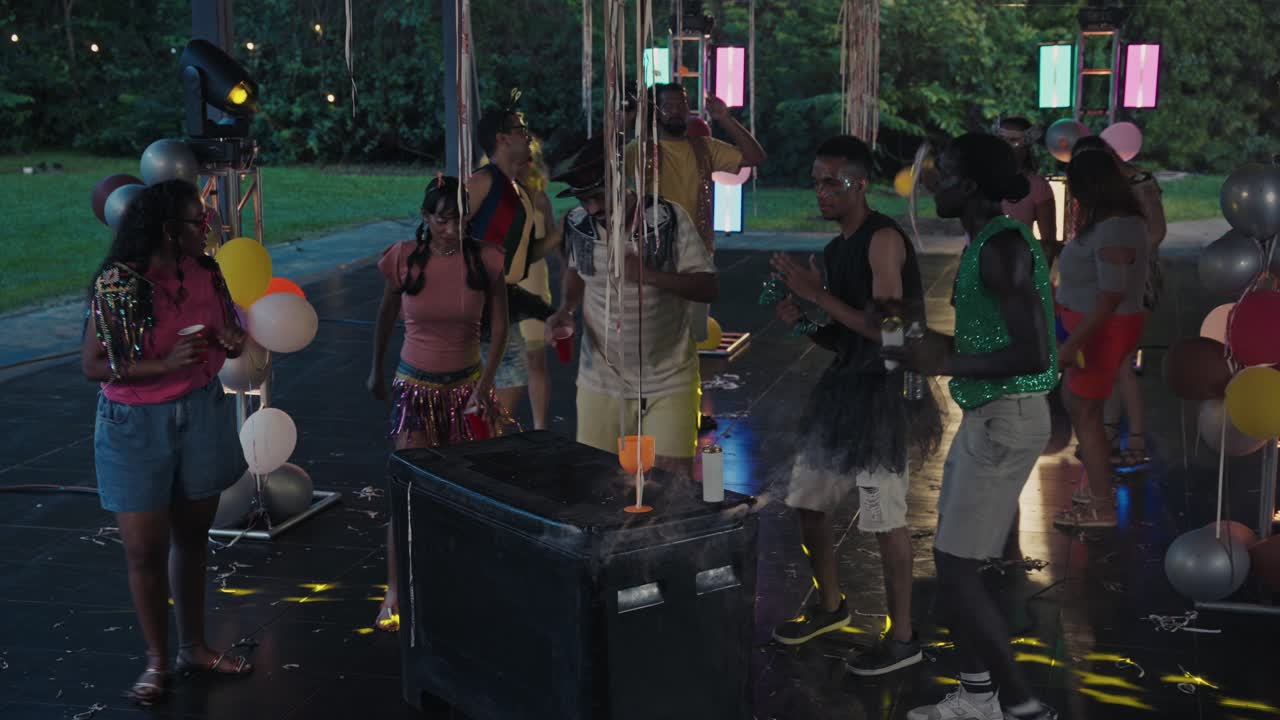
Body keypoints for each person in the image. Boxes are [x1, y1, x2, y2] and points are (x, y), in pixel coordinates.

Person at [889, 134, 1058, 720]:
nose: (933, 181)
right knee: (956, 561)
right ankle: (980, 697)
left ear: (973, 185)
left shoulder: (1002, 247)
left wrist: (945, 361)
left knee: (958, 570)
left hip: (1005, 418)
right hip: (991, 416)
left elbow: (1033, 353)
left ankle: (1021, 704)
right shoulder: (985, 241)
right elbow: (988, 340)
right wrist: (929, 343)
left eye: (946, 172)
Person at [768, 135, 942, 678]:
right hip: (845, 390)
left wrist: (817, 297)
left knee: (883, 516)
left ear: (860, 184)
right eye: (816, 182)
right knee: (808, 502)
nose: (821, 192)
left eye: (832, 182)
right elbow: (847, 339)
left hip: (885, 393)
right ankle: (830, 605)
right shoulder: (835, 250)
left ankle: (902, 636)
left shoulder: (882, 240)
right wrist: (805, 322)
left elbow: (891, 333)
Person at [81, 179, 253, 701]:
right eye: (198, 222)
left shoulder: (206, 271)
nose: (208, 228)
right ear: (168, 231)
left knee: (193, 538)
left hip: (200, 412)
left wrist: (230, 339)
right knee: (144, 550)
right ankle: (156, 661)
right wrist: (165, 363)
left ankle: (193, 647)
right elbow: (94, 365)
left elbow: (229, 331)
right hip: (135, 424)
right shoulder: (120, 282)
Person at [367, 176, 510, 631]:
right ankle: (395, 589)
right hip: (415, 387)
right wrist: (375, 368)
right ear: (426, 218)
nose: (452, 229)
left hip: (465, 387)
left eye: (460, 220)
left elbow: (501, 326)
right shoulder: (404, 258)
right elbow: (385, 314)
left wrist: (485, 385)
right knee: (408, 490)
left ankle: (466, 580)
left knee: (470, 491)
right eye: (443, 220)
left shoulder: (485, 259)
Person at [546, 138, 717, 479]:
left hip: (669, 379)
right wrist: (566, 309)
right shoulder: (578, 224)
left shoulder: (668, 220)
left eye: (599, 196)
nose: (593, 208)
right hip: (600, 381)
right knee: (598, 482)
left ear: (621, 182)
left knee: (669, 484)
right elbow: (576, 271)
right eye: (584, 199)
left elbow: (707, 286)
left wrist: (648, 275)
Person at [1052, 145, 1149, 530]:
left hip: (1100, 331)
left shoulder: (1115, 228)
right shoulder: (1114, 222)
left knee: (1086, 413)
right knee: (1082, 409)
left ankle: (1101, 505)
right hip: (1095, 328)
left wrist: (1073, 343)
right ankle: (1097, 492)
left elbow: (1111, 294)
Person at [1071, 135, 1166, 471]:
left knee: (1122, 360)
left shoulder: (1138, 183)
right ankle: (1110, 430)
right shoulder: (1101, 190)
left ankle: (1135, 438)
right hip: (1108, 278)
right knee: (1109, 359)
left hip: (1134, 280)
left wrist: (1119, 253)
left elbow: (1156, 232)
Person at [468, 105, 557, 420]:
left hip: (503, 301)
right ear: (502, 138)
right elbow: (448, 232)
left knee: (512, 380)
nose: (528, 138)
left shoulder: (519, 192)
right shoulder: (482, 182)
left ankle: (483, 433)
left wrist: (549, 313)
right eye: (521, 131)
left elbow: (518, 259)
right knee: (492, 387)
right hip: (477, 307)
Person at [515, 137, 563, 430]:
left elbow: (554, 243)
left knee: (535, 359)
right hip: (505, 286)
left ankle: (539, 426)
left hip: (534, 284)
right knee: (497, 360)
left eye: (529, 158)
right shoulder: (491, 196)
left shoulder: (540, 198)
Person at [995, 117, 1058, 261]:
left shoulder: (1037, 186)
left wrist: (1037, 274)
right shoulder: (979, 180)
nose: (1005, 146)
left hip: (1017, 267)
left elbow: (1048, 243)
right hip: (975, 268)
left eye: (1014, 140)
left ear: (1027, 146)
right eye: (1001, 139)